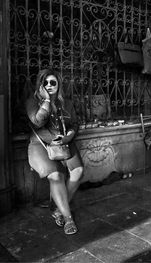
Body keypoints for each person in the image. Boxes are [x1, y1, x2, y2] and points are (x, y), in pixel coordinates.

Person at [26, 69, 83, 235]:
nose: (49, 85)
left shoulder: (67, 103)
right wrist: (45, 101)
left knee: (78, 171)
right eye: (45, 83)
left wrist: (68, 137)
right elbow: (37, 121)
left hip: (62, 143)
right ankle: (68, 218)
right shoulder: (32, 101)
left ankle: (57, 207)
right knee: (56, 176)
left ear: (59, 85)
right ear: (40, 85)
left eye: (53, 82)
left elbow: (74, 124)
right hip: (40, 144)